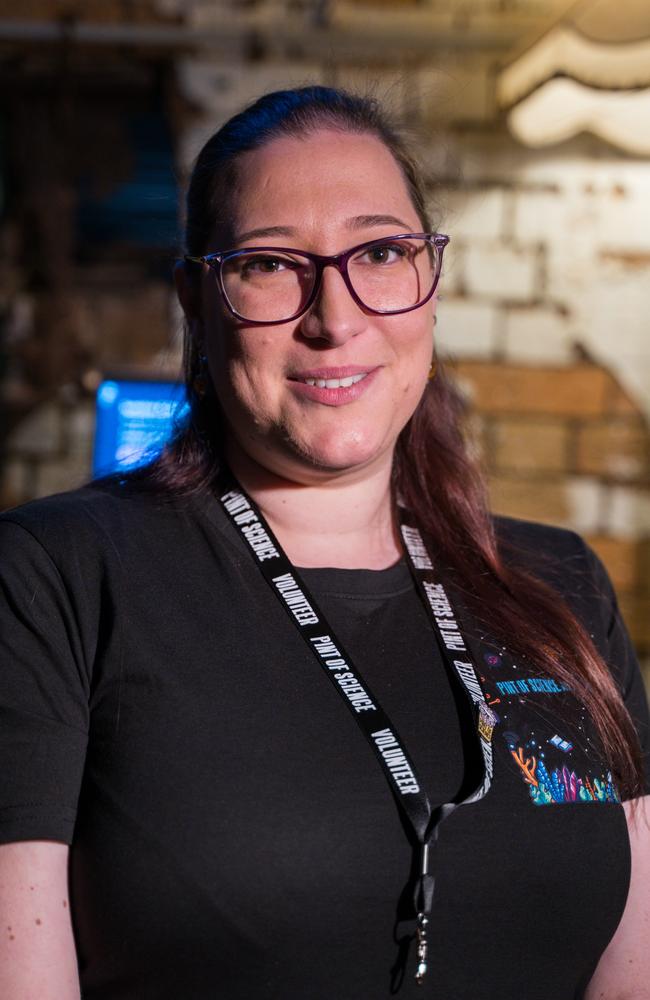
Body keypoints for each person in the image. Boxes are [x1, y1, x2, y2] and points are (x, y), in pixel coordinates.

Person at [0, 86, 648, 1000]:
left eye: (380, 252)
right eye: (270, 265)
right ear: (199, 298)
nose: (334, 318)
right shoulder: (54, 578)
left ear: (430, 277)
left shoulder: (557, 586)